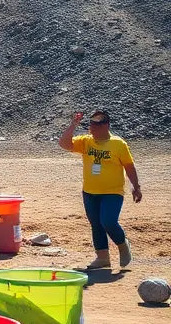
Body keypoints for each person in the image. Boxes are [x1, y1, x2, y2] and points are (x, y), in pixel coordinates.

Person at [58, 110, 143, 271]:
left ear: (106, 126)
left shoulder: (118, 144)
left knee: (108, 221)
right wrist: (73, 125)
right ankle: (103, 257)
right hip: (90, 192)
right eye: (90, 128)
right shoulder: (86, 141)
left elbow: (129, 166)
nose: (91, 131)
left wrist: (136, 187)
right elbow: (64, 144)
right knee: (96, 224)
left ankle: (123, 244)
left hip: (112, 192)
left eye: (95, 129)